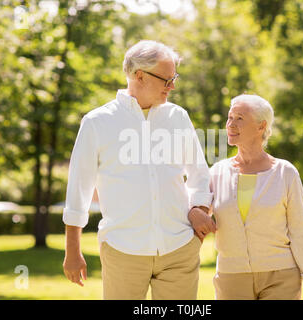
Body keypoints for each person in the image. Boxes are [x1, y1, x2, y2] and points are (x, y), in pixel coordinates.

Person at [61, 40, 215, 300]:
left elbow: (200, 174)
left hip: (179, 248)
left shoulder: (177, 117)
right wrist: (72, 252)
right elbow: (79, 189)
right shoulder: (97, 123)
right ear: (139, 75)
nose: (173, 86)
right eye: (166, 79)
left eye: (174, 78)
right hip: (123, 251)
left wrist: (199, 208)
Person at [208, 94, 303, 300]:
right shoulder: (217, 172)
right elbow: (193, 213)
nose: (231, 124)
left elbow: (300, 231)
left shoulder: (285, 172)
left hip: (281, 276)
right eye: (230, 117)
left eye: (239, 118)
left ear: (261, 127)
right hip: (231, 278)